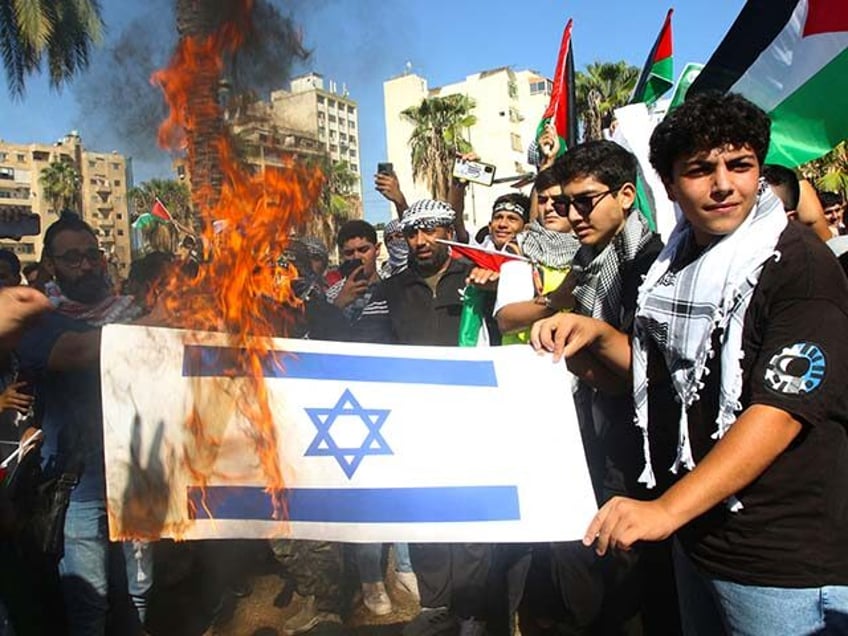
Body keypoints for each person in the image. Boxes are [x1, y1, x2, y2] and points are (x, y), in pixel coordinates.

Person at [531, 92, 848, 635]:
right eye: (701, 170)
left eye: (740, 165)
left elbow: (777, 413)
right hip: (699, 541)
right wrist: (597, 337)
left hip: (781, 560)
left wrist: (665, 510)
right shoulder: (675, 265)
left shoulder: (799, 267)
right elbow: (672, 379)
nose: (724, 184)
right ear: (672, 184)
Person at [355, 199, 500, 636]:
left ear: (449, 231)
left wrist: (498, 289)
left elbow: (514, 325)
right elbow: (362, 345)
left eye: (429, 231)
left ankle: (473, 609)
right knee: (426, 514)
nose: (420, 241)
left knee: (472, 514)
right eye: (411, 234)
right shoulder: (391, 289)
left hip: (473, 418)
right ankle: (435, 606)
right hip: (414, 421)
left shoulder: (481, 277)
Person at [15, 212, 153, 634]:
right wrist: (156, 324)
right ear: (51, 264)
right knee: (89, 602)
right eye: (72, 258)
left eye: (92, 255)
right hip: (79, 486)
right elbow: (76, 352)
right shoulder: (38, 318)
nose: (86, 265)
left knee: (139, 591)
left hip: (136, 472)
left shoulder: (130, 312)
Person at [326, 220, 382, 324]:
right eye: (349, 253)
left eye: (363, 250)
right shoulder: (332, 296)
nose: (356, 257)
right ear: (342, 256)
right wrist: (338, 304)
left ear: (377, 249)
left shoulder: (393, 286)